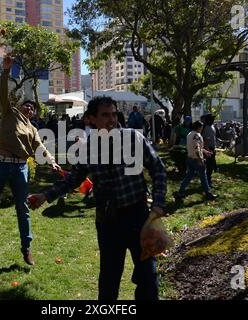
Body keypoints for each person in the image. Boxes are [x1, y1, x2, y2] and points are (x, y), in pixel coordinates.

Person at [29, 96, 167, 300]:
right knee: (109, 280)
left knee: (148, 277)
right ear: (91, 119)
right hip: (108, 222)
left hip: (139, 217)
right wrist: (45, 196)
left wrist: (157, 205)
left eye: (113, 114)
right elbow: (74, 179)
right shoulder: (87, 147)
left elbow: (158, 170)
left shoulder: (133, 138)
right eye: (105, 115)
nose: (111, 119)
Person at [0, 56, 60, 266]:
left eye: (33, 108)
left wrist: (51, 160)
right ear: (20, 106)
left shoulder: (33, 129)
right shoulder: (9, 113)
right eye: (27, 106)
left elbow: (39, 147)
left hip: (20, 168)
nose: (30, 109)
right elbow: (3, 94)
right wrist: (6, 71)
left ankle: (27, 247)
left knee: (22, 209)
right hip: (1, 163)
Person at [173, 120, 218, 201]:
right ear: (198, 127)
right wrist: (200, 160)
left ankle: (180, 193)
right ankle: (208, 193)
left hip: (189, 158)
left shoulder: (190, 134)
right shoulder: (196, 135)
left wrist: (205, 151)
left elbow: (197, 147)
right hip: (196, 159)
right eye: (201, 127)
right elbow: (197, 149)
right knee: (203, 177)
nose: (202, 129)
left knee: (188, 177)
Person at [201, 114, 217, 188]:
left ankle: (208, 179)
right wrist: (207, 150)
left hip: (213, 148)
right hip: (208, 149)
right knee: (209, 165)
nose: (213, 120)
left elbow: (213, 137)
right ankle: (207, 181)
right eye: (212, 119)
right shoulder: (206, 127)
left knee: (211, 165)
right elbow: (205, 139)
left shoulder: (212, 126)